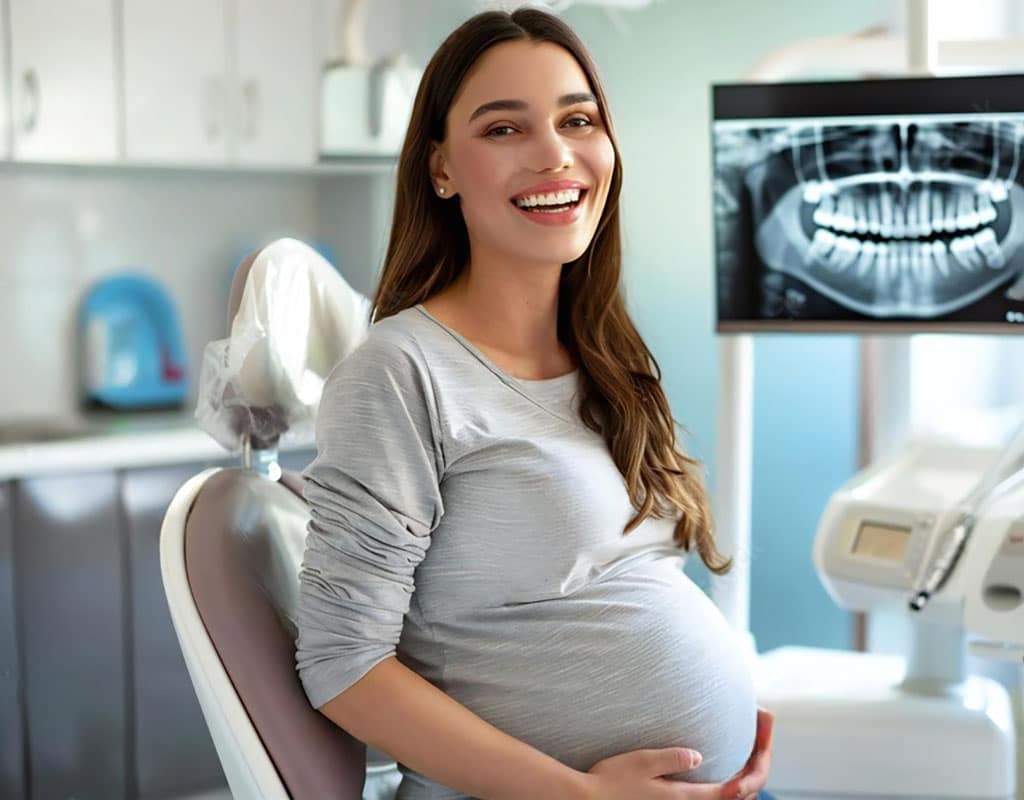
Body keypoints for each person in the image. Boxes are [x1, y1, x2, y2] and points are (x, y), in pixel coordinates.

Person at [296, 8, 775, 799]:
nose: (555, 154)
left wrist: (719, 712)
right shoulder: (400, 372)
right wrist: (584, 794)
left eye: (576, 119)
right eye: (503, 130)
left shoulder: (605, 362)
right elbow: (343, 668)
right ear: (441, 167)